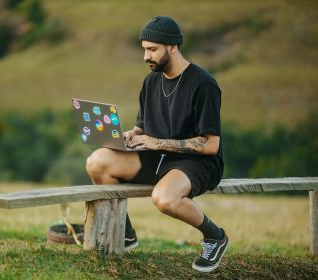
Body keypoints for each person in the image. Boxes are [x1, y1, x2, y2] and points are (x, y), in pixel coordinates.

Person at [86, 15, 228, 273]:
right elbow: (143, 125)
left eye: (152, 49)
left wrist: (156, 142)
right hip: (156, 156)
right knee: (98, 161)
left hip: (198, 162)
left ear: (172, 47)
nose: (146, 57)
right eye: (144, 50)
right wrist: (131, 134)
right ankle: (125, 233)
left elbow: (210, 145)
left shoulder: (203, 84)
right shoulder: (151, 81)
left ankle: (215, 236)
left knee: (163, 198)